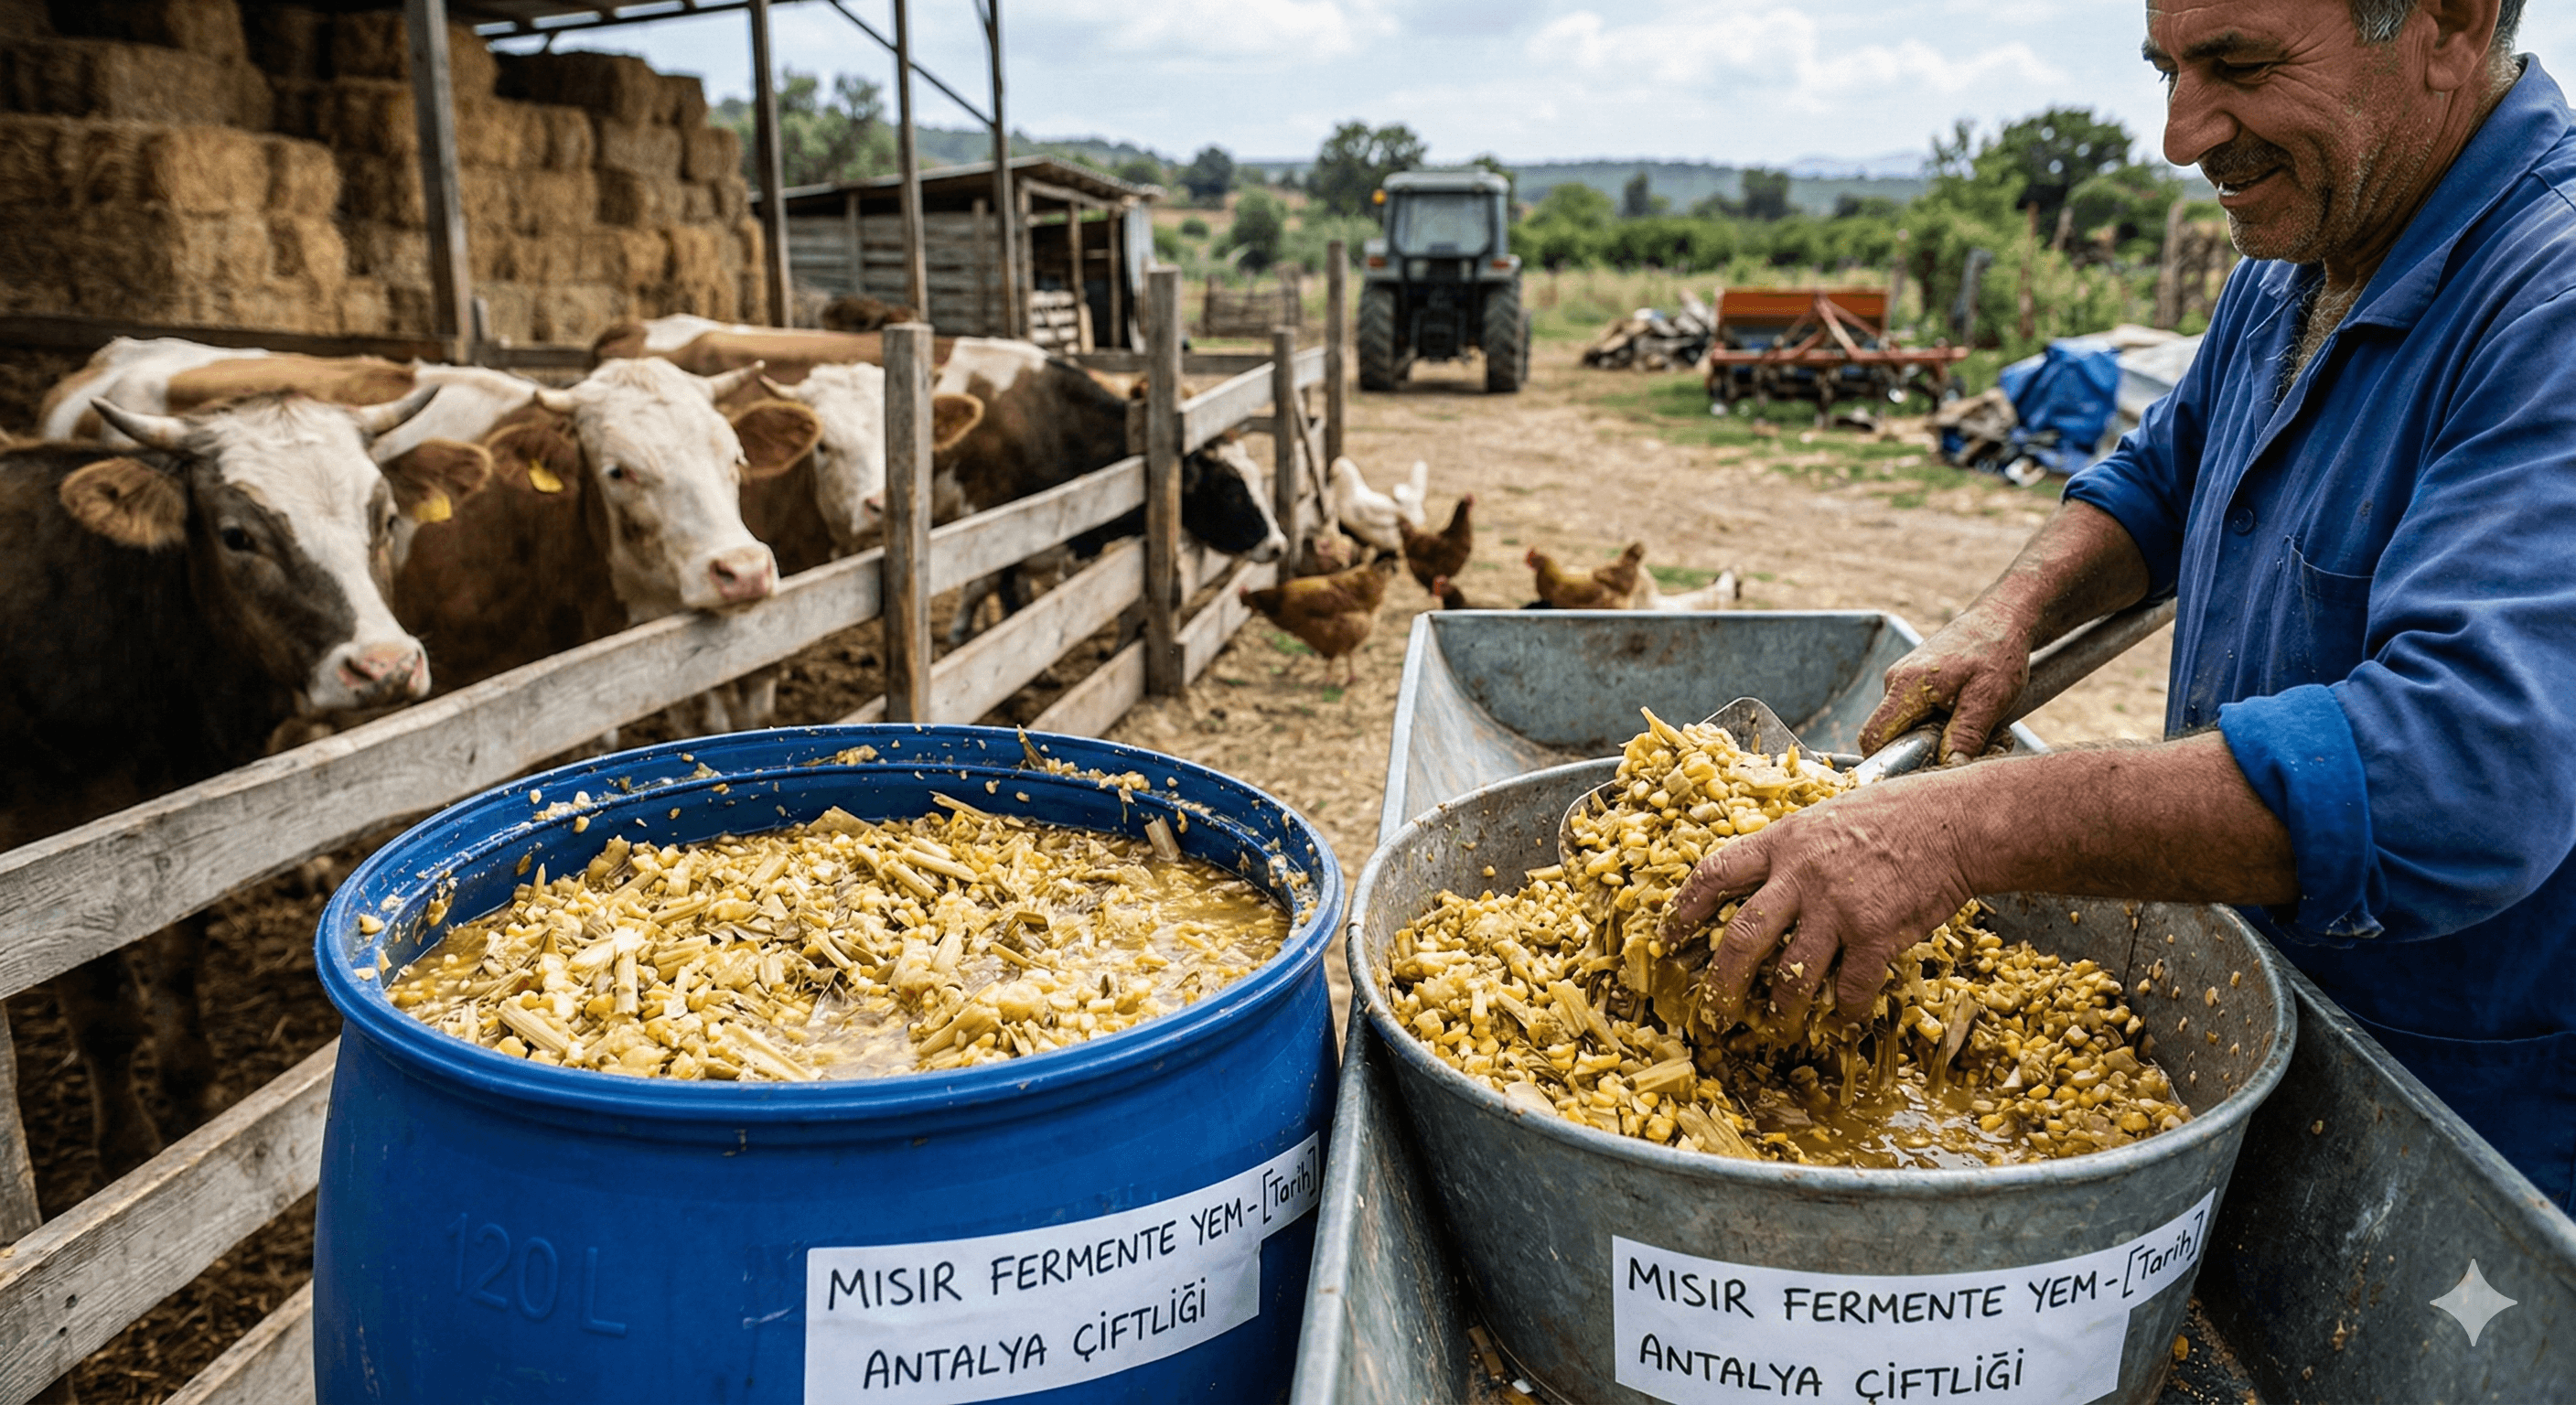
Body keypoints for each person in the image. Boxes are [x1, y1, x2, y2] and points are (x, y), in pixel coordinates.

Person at [1663, 0, 2576, 1208]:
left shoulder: (2545, 299)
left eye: (2238, 66)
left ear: (2450, 26)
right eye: (2169, 69)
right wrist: (2017, 609)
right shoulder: (2307, 247)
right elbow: (2170, 475)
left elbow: (2461, 774)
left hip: (2459, 1132)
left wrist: (1952, 833)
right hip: (2253, 1037)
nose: (2181, 134)